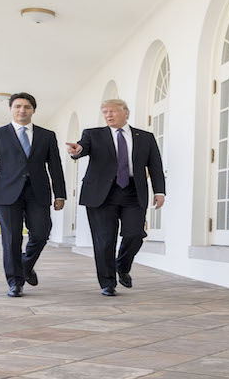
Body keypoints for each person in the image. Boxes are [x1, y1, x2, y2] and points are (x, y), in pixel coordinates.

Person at [66, 99, 165, 296]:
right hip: (101, 194)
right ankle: (108, 283)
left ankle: (122, 265)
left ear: (126, 113)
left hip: (132, 191)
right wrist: (76, 151)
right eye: (105, 112)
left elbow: (155, 165)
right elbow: (82, 148)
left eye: (113, 111)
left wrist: (159, 191)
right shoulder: (92, 134)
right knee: (104, 240)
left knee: (135, 234)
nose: (108, 115)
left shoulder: (145, 137)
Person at [0, 92, 66, 297]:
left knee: (42, 233)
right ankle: (15, 282)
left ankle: (25, 265)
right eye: (17, 106)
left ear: (33, 110)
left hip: (38, 192)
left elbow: (55, 166)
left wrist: (60, 194)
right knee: (11, 238)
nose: (22, 110)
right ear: (11, 109)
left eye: (27, 107)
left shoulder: (47, 135)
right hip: (6, 193)